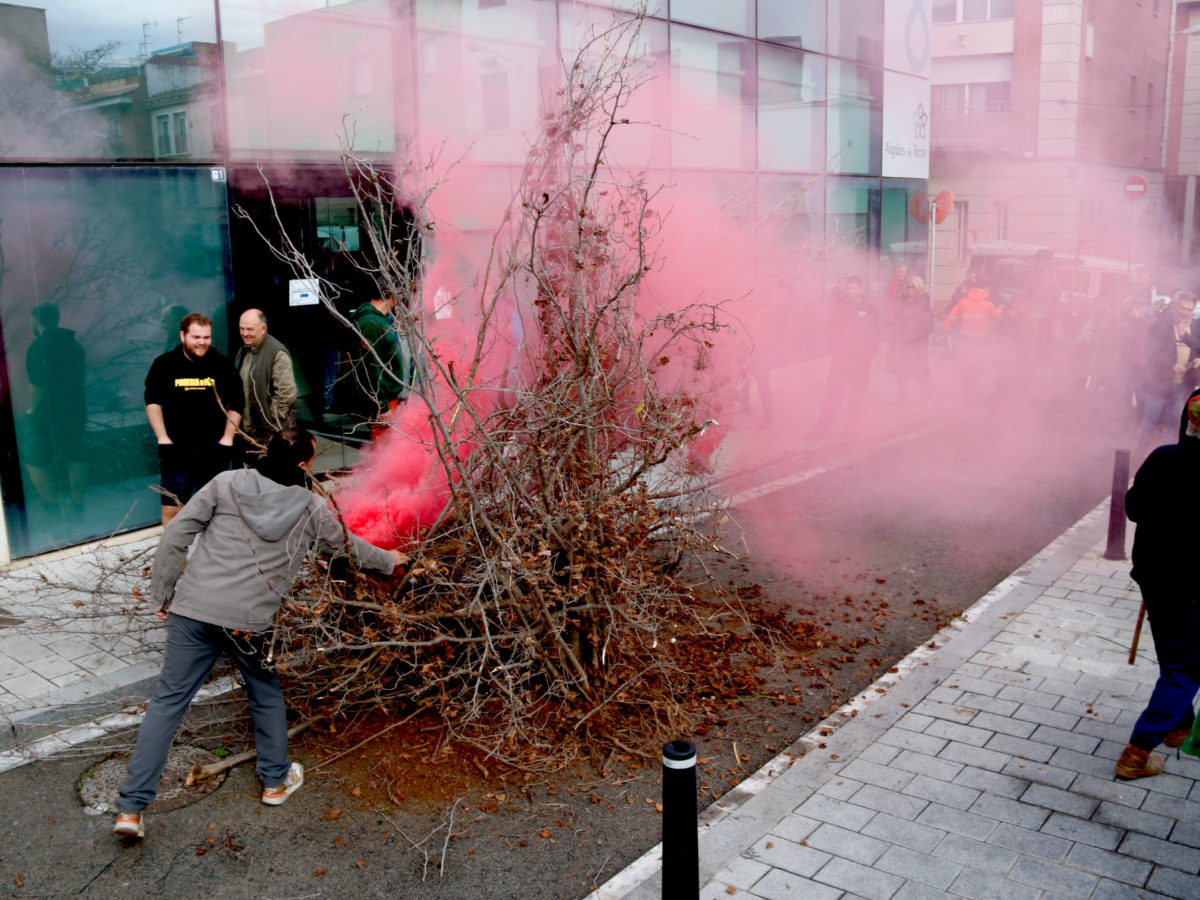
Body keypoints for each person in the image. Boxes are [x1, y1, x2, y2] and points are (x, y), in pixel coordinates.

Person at [113, 427, 405, 839]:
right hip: (249, 622)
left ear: (268, 452)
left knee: (166, 704)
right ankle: (274, 782)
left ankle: (130, 810)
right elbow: (348, 547)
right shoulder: (311, 507)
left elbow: (176, 534)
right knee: (265, 695)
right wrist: (390, 561)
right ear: (303, 464)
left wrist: (161, 594)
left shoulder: (225, 483)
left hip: (193, 611)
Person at [1116, 389, 1200, 779]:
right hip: (1193, 588)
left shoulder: (1164, 457)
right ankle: (1138, 752)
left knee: (1173, 655)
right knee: (1184, 670)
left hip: (1156, 579)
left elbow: (1134, 508)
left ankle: (1178, 724)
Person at [144, 312, 243, 525]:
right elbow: (152, 401)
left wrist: (227, 439)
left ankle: (212, 548)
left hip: (213, 449)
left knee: (216, 509)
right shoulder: (164, 364)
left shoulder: (222, 365)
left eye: (206, 337)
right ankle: (175, 549)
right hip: (176, 450)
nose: (202, 342)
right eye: (196, 337)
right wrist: (162, 437)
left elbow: (237, 404)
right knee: (172, 507)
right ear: (182, 336)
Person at [24, 303, 86, 511]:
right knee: (74, 458)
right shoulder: (74, 345)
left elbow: (37, 383)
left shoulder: (39, 346)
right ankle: (78, 506)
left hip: (47, 413)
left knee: (34, 460)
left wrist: (31, 410)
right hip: (75, 409)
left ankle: (50, 506)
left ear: (36, 320)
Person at [811, 274, 880, 437]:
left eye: (853, 288)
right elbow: (830, 329)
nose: (850, 291)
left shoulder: (869, 308)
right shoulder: (839, 306)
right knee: (833, 395)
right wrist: (836, 348)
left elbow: (876, 335)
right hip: (841, 359)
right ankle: (821, 430)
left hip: (861, 361)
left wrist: (868, 356)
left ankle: (850, 431)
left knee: (855, 398)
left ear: (861, 289)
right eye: (848, 288)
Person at [1136, 290, 1200, 452]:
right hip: (1160, 382)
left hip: (1184, 383)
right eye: (1183, 308)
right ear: (1175, 306)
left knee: (1177, 422)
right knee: (1150, 419)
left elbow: (1198, 348)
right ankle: (1140, 452)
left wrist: (1198, 359)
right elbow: (1150, 351)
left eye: (1189, 309)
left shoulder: (1196, 326)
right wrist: (1172, 365)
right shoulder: (1161, 325)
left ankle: (1171, 454)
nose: (1185, 312)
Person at [350, 278, 412, 439]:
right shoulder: (370, 323)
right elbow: (369, 367)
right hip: (383, 401)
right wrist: (381, 405)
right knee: (384, 445)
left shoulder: (379, 319)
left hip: (389, 397)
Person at [234, 308, 298, 458]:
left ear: (263, 329)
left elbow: (286, 395)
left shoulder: (277, 353)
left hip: (271, 436)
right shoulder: (244, 349)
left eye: (250, 329)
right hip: (248, 433)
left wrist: (268, 420)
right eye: (242, 329)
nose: (244, 333)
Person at [943, 286, 1002, 393]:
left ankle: (966, 388)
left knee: (966, 363)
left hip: (966, 338)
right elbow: (997, 316)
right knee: (977, 363)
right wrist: (1000, 309)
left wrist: (946, 326)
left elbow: (952, 316)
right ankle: (974, 387)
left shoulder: (963, 302)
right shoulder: (988, 305)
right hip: (980, 339)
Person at [887, 275, 933, 403]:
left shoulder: (923, 304)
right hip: (903, 341)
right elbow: (898, 317)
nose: (910, 289)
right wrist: (891, 320)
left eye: (913, 286)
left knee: (920, 371)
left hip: (917, 343)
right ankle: (901, 397)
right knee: (901, 370)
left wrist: (900, 325)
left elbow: (927, 327)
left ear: (919, 288)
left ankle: (924, 399)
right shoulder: (904, 301)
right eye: (908, 286)